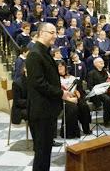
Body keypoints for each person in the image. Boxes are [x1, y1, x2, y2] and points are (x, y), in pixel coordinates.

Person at [26, 22, 75, 171]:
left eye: (55, 32)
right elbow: (39, 83)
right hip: (40, 111)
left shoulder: (44, 52)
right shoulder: (35, 54)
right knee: (41, 152)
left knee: (46, 151)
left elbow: (48, 78)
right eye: (51, 32)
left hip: (48, 110)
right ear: (41, 33)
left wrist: (60, 88)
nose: (55, 35)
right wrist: (61, 93)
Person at [87, 57, 110, 127]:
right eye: (99, 61)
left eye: (102, 61)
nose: (102, 62)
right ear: (95, 64)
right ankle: (106, 121)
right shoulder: (91, 73)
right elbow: (90, 86)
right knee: (107, 100)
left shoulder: (106, 71)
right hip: (99, 92)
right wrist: (100, 89)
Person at [57, 61, 91, 138]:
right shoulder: (55, 79)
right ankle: (70, 133)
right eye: (58, 67)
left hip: (74, 97)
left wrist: (78, 93)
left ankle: (86, 129)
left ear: (65, 67)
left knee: (84, 106)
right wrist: (69, 99)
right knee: (73, 108)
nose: (60, 68)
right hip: (62, 99)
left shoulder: (72, 78)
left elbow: (80, 90)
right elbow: (57, 92)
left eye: (62, 66)